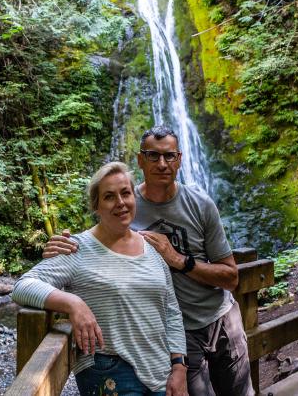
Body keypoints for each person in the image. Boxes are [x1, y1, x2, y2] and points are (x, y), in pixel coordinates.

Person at [44, 127, 255, 396]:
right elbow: (98, 245)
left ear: (179, 159)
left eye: (169, 156)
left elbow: (231, 277)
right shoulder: (125, 204)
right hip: (178, 333)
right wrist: (62, 246)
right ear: (140, 160)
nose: (162, 164)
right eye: (153, 156)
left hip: (222, 319)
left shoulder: (201, 205)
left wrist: (178, 260)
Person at [12, 161, 188, 396]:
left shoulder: (151, 248)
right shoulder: (77, 248)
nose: (120, 203)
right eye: (109, 197)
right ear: (96, 206)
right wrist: (73, 303)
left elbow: (171, 310)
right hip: (110, 370)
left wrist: (179, 366)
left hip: (161, 373)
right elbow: (23, 286)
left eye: (125, 193)